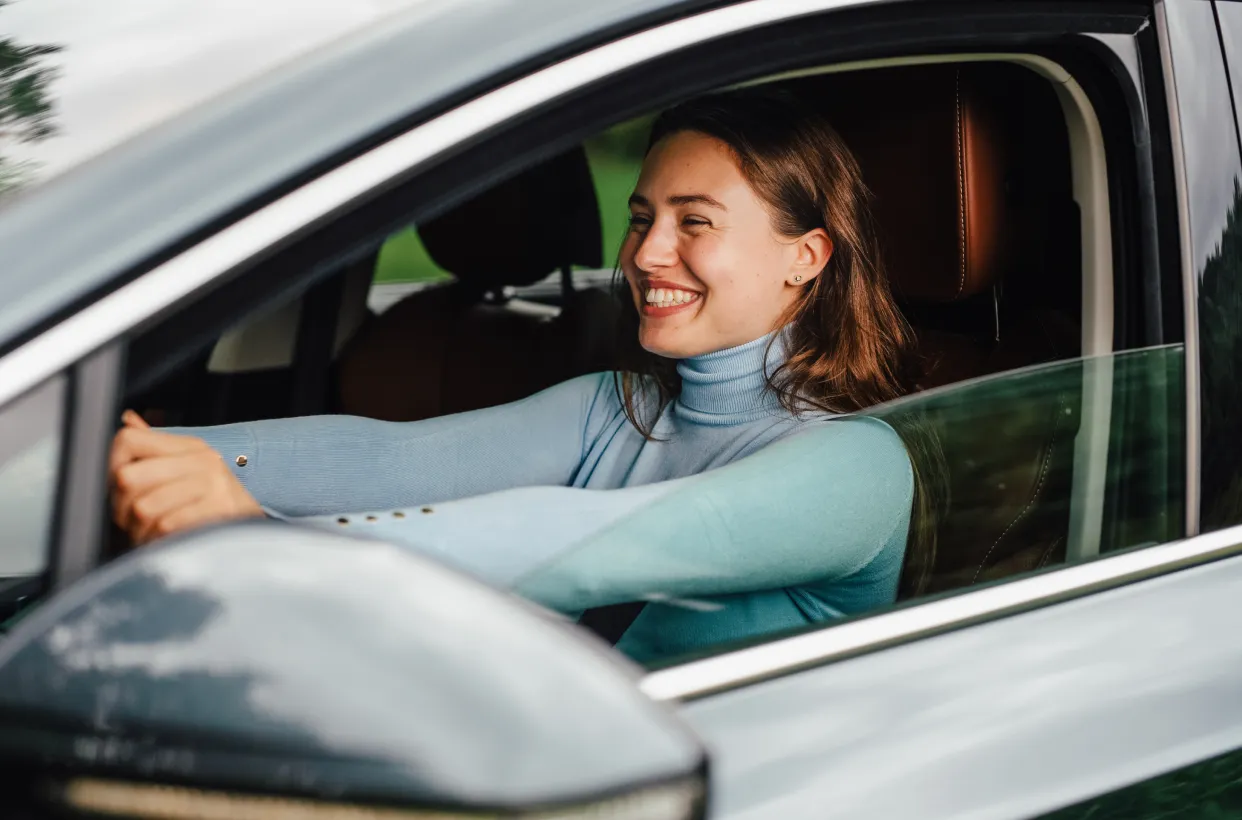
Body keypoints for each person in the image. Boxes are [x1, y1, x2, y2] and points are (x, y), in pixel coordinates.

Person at [109, 89, 933, 663]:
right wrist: (122, 458)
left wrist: (260, 547)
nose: (645, 254)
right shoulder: (623, 407)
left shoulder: (857, 466)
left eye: (695, 222)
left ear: (806, 257)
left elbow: (569, 545)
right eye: (642, 217)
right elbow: (391, 461)